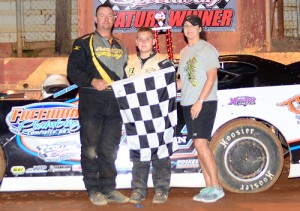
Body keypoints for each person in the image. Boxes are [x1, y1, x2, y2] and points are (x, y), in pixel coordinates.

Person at [67, 3, 129, 206]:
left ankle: (109, 188)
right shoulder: (83, 43)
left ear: (114, 19)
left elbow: (124, 75)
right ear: (96, 19)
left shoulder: (121, 46)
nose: (105, 19)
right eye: (101, 15)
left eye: (109, 16)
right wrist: (92, 81)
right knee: (91, 148)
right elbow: (73, 70)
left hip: (115, 104)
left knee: (110, 148)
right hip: (92, 102)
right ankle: (93, 190)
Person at [125, 27, 176, 204]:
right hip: (137, 117)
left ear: (154, 41)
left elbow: (171, 88)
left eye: (148, 39)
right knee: (140, 153)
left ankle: (161, 190)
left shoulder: (164, 62)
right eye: (140, 39)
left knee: (160, 152)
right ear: (136, 42)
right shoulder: (128, 63)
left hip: (159, 116)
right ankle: (138, 189)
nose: (144, 42)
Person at [177, 15, 225, 203]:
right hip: (186, 103)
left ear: (199, 28)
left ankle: (216, 186)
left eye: (192, 26)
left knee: (200, 143)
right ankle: (208, 186)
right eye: (186, 26)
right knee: (198, 145)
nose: (188, 29)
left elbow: (211, 77)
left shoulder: (207, 49)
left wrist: (200, 101)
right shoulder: (183, 52)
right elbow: (182, 82)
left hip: (203, 102)